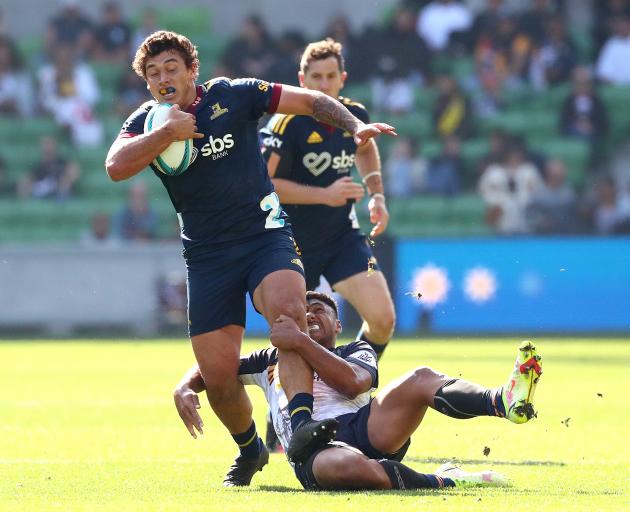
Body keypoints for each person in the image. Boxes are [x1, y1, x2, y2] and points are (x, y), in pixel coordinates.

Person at [105, 30, 396, 487]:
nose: (163, 78)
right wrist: (166, 133)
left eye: (171, 69)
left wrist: (355, 127)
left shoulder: (234, 94)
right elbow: (115, 166)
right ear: (146, 83)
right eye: (153, 73)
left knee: (287, 317)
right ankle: (250, 449)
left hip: (266, 235)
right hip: (207, 256)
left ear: (191, 71)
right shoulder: (146, 122)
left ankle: (300, 428)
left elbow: (310, 102)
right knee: (220, 376)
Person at [174, 291, 543, 491]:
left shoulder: (356, 350)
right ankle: (446, 479)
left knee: (420, 376)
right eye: (303, 310)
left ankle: (501, 401)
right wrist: (186, 386)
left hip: (363, 427)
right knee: (346, 466)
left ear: (338, 323)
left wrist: (301, 342)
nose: (309, 315)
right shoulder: (271, 357)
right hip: (314, 450)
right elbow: (218, 368)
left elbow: (353, 383)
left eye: (318, 309)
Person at [260, 38, 397, 452]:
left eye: (330, 76)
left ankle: (348, 384)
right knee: (292, 332)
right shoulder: (286, 122)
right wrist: (323, 194)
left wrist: (376, 194)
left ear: (342, 78)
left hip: (341, 237)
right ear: (301, 80)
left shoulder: (354, 115)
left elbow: (367, 149)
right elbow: (265, 185)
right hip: (291, 240)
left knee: (383, 318)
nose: (323, 83)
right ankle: (280, 417)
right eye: (314, 77)